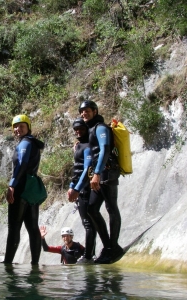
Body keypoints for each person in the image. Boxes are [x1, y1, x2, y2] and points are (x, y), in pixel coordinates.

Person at [79, 100, 123, 264]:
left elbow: (104, 149)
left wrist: (96, 173)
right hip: (100, 173)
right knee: (91, 209)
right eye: (82, 111)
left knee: (111, 207)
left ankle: (114, 246)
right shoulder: (92, 129)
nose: (84, 113)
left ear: (95, 111)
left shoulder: (101, 128)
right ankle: (108, 247)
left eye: (88, 111)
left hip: (107, 171)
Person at [4, 115, 45, 265]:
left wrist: (12, 185)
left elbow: (21, 164)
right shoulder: (32, 142)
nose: (17, 129)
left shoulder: (25, 144)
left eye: (21, 126)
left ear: (28, 127)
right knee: (32, 226)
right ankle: (35, 263)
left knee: (14, 227)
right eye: (15, 126)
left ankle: (8, 263)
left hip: (21, 186)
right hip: (31, 187)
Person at [67, 118, 96, 264]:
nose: (78, 131)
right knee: (87, 223)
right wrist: (72, 185)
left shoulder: (88, 146)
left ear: (87, 129)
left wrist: (77, 188)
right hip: (79, 187)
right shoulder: (79, 146)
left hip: (86, 188)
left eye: (81, 129)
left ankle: (89, 256)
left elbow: (87, 169)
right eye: (76, 129)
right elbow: (77, 169)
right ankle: (90, 254)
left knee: (89, 223)